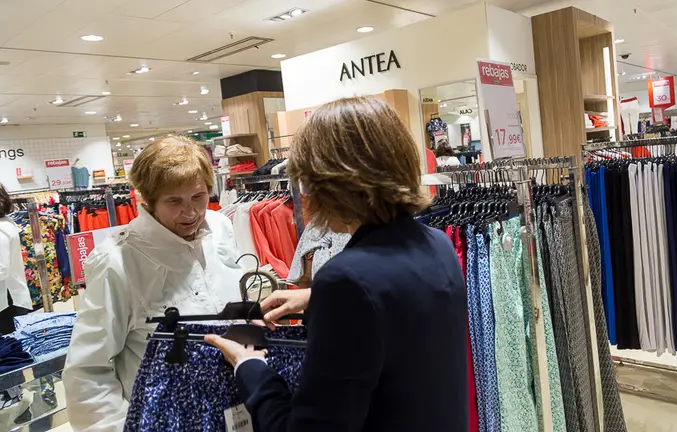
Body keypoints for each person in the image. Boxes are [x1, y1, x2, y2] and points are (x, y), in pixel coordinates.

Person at [206, 96, 469, 432]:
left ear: (332, 183)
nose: (306, 196)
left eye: (307, 182)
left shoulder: (346, 280)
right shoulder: (437, 243)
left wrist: (249, 366)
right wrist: (315, 296)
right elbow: (399, 316)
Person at [63, 136, 245, 431]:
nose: (191, 212)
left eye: (198, 196)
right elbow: (87, 372)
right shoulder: (117, 261)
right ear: (146, 200)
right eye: (174, 201)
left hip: (236, 410)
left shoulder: (220, 228)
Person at [0, 185, 32, 334]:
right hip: (9, 300)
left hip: (7, 302)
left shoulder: (2, 227)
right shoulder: (5, 223)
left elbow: (1, 269)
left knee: (10, 352)